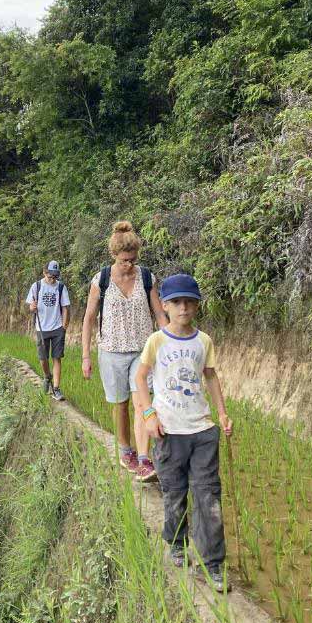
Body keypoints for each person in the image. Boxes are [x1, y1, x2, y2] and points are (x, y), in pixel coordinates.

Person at [134, 273, 234, 591]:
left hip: (202, 430)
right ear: (165, 305)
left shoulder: (203, 341)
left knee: (208, 496)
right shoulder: (157, 341)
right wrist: (148, 414)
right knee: (175, 494)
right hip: (168, 433)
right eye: (176, 302)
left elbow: (211, 377)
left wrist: (222, 413)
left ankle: (212, 564)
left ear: (197, 306)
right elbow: (140, 379)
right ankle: (177, 542)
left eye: (190, 302)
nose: (183, 308)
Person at [81, 221, 167, 481]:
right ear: (114, 256)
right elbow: (88, 318)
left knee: (143, 403)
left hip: (143, 351)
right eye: (124, 260)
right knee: (121, 406)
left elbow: (160, 314)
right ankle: (125, 451)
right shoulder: (102, 280)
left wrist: (170, 341)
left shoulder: (147, 277)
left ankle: (143, 459)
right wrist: (86, 355)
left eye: (132, 259)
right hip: (112, 352)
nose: (129, 264)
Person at [25, 260, 71, 401]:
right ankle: (47, 376)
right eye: (50, 276)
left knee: (57, 358)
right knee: (43, 358)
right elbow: (30, 306)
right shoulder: (37, 286)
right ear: (44, 273)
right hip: (41, 327)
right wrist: (32, 307)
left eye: (55, 276)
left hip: (57, 327)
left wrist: (64, 327)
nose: (53, 279)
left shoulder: (61, 287)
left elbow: (65, 308)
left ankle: (56, 388)